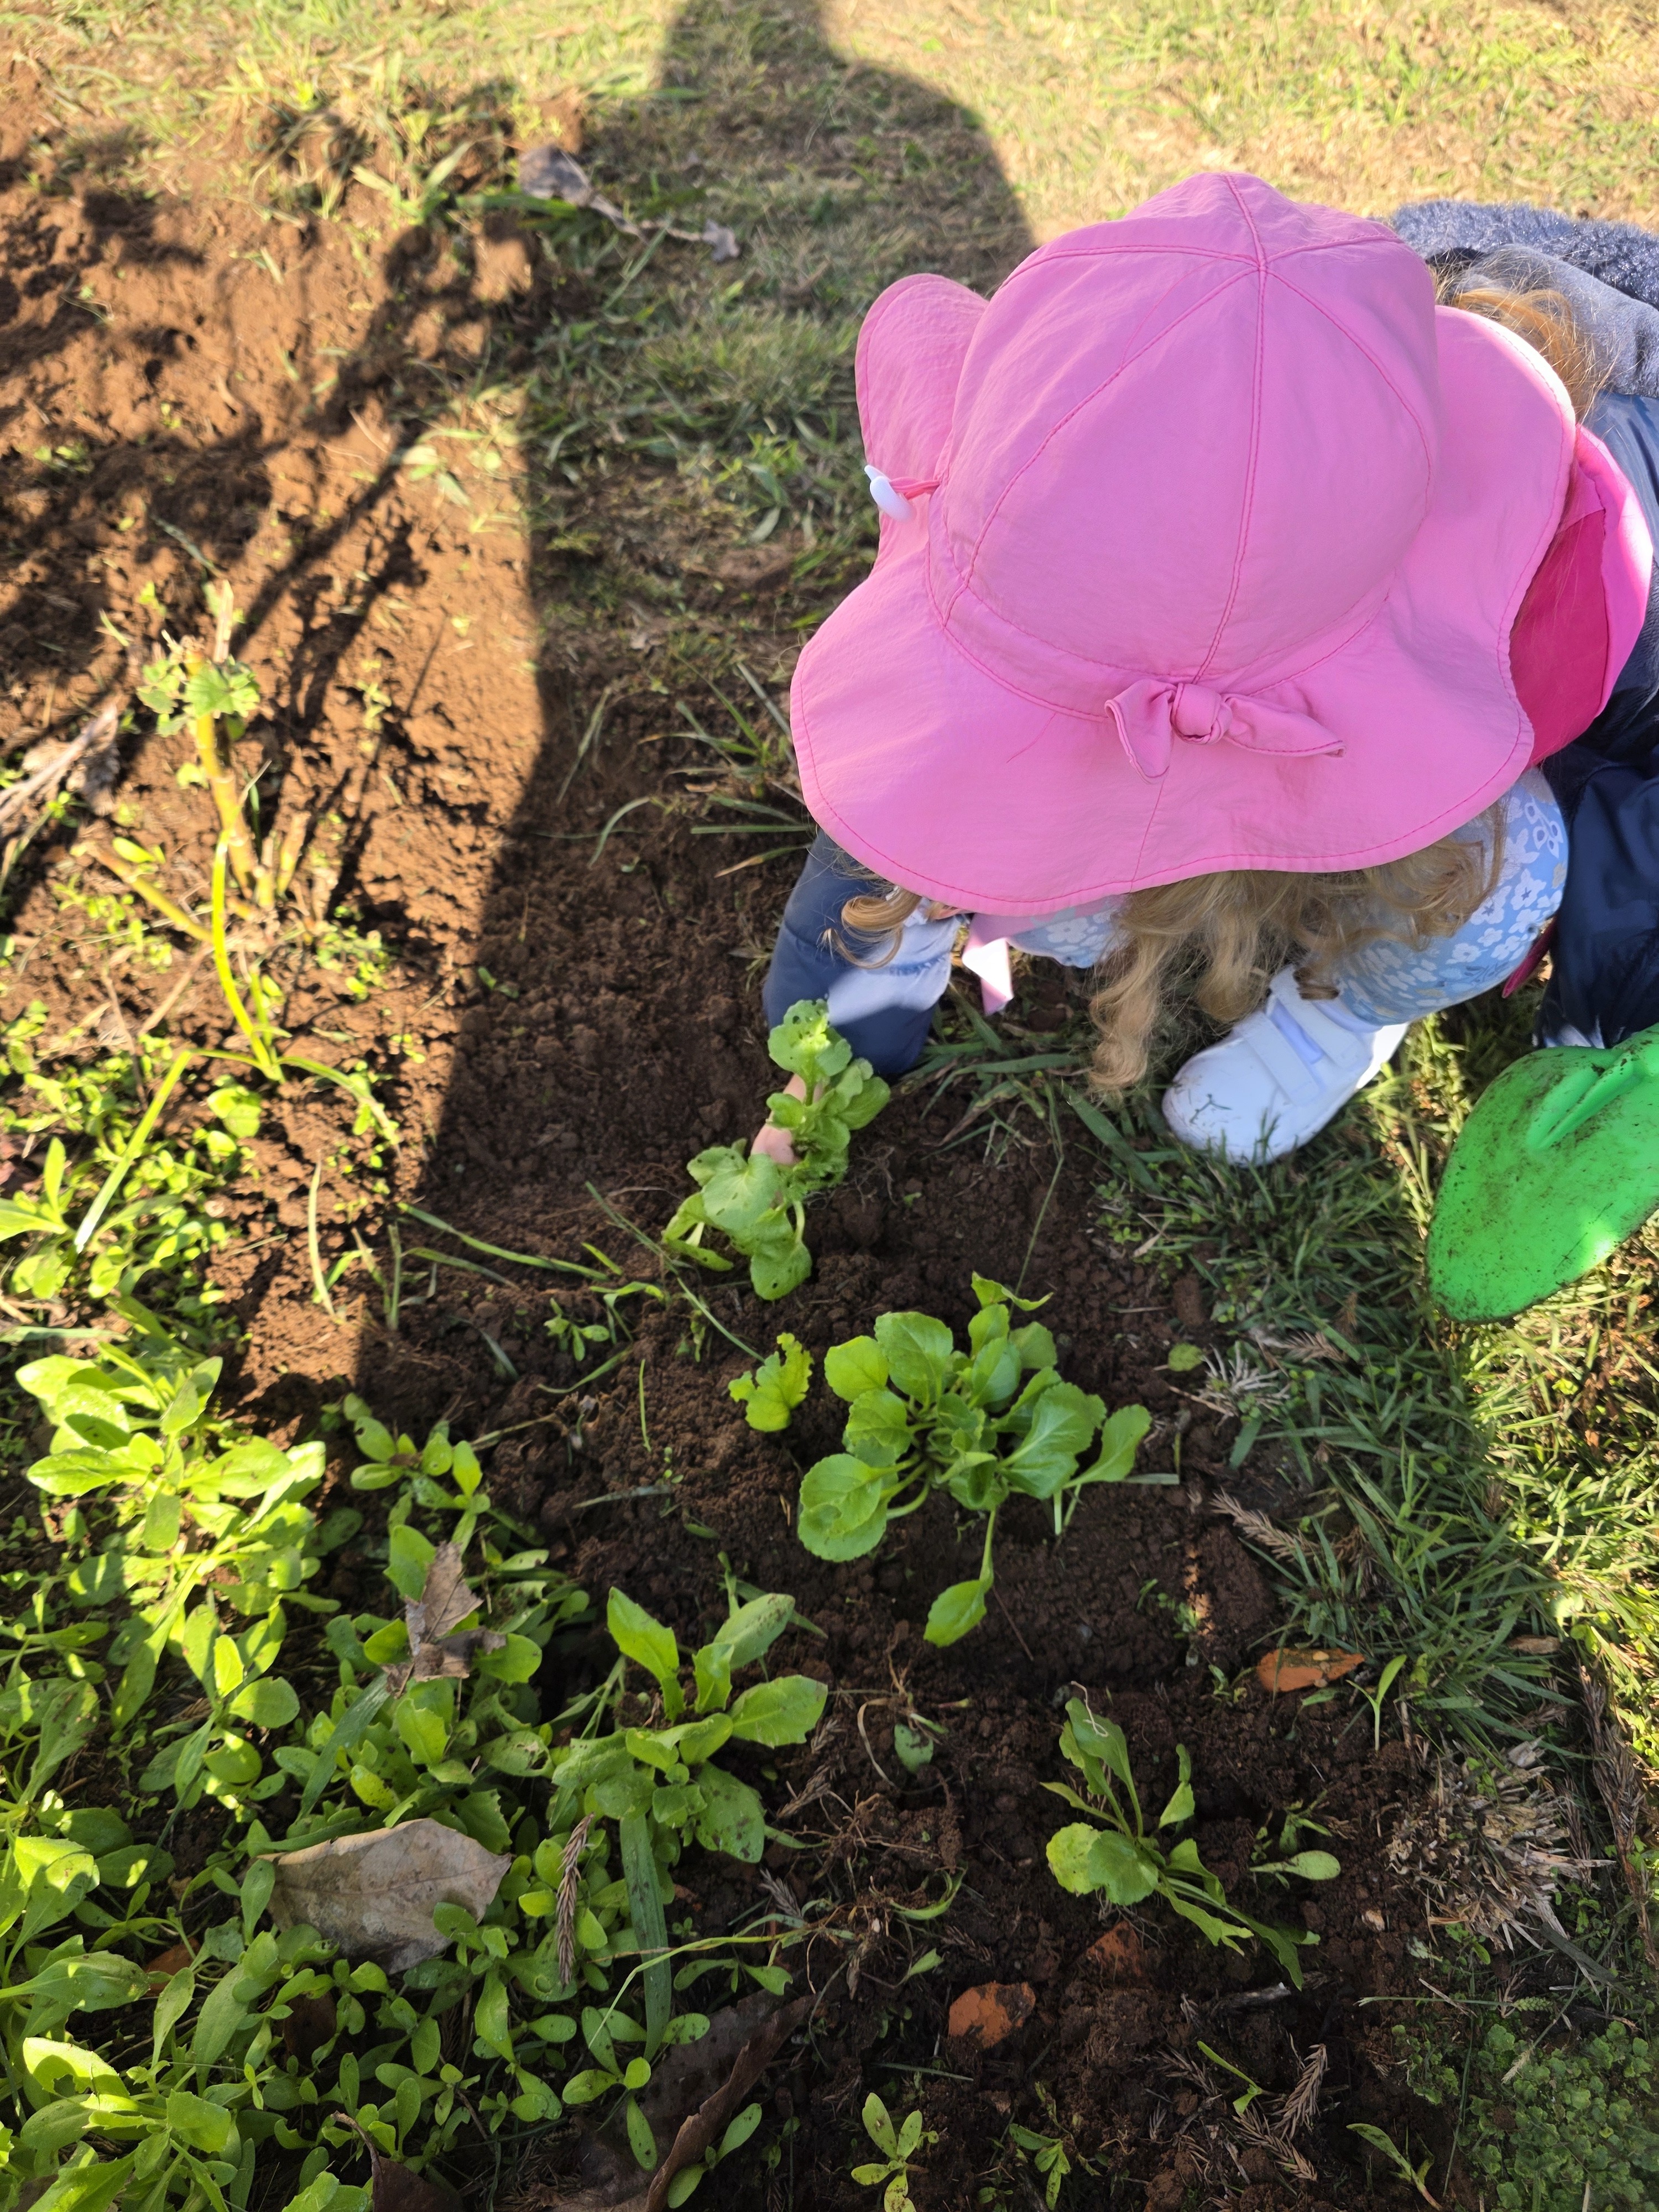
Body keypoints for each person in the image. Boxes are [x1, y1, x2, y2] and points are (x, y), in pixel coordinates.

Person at [750, 171, 1659, 1167]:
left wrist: (1610, 1019)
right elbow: (913, 786)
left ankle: (1335, 1015)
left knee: (1504, 864)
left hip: (1522, 664)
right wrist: (837, 1045)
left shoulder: (1583, 576)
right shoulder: (1129, 442)